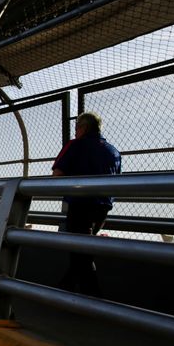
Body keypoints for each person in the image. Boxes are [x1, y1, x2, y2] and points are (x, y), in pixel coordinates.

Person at [52, 112, 121, 297]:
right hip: (103, 208)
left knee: (79, 252)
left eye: (76, 128)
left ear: (83, 128)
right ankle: (64, 289)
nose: (75, 132)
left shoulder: (76, 145)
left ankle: (92, 298)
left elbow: (57, 174)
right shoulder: (113, 151)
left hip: (80, 204)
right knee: (82, 251)